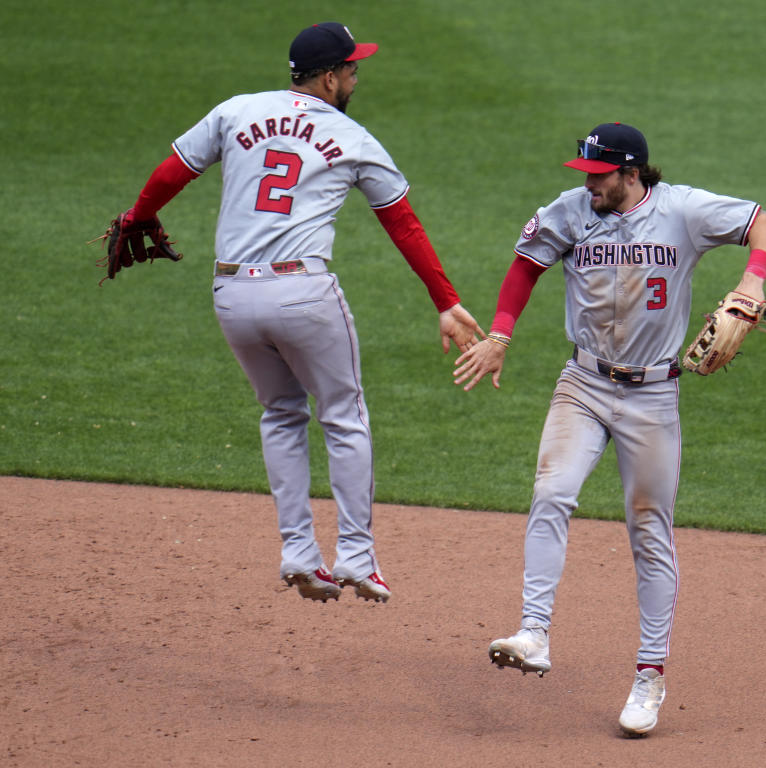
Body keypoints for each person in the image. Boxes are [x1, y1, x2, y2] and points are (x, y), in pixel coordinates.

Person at [106, 22, 483, 605]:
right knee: (344, 416)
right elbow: (403, 224)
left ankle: (299, 552)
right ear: (329, 78)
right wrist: (445, 301)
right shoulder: (353, 137)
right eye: (353, 69)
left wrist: (136, 217)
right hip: (303, 295)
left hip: (232, 297)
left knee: (281, 413)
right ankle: (356, 557)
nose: (357, 78)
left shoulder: (237, 111)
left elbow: (172, 172)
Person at [453, 122, 766, 736]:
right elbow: (525, 266)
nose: (587, 186)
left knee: (649, 531)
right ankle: (534, 632)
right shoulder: (572, 212)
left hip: (653, 397)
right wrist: (500, 334)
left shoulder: (683, 210)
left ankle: (650, 676)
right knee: (552, 491)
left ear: (631, 173)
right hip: (583, 383)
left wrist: (752, 277)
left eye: (598, 176)